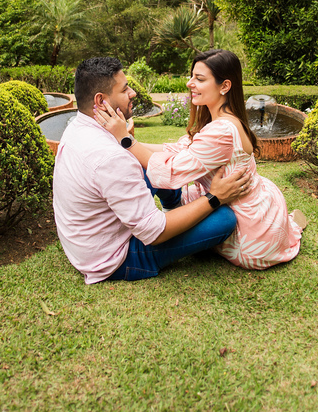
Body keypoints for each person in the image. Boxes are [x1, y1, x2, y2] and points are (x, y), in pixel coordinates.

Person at [95, 49, 306, 270]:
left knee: (161, 180)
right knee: (152, 165)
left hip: (247, 226)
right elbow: (177, 149)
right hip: (251, 199)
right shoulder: (219, 118)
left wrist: (126, 140)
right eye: (192, 76)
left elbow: (171, 170)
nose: (189, 83)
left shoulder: (223, 130)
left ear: (224, 86)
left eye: (199, 79)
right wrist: (122, 138)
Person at [52, 56, 254, 284]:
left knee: (150, 165)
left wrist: (126, 139)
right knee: (225, 219)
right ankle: (182, 213)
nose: (133, 93)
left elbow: (159, 160)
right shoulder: (111, 157)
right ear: (101, 101)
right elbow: (154, 233)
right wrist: (214, 198)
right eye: (125, 88)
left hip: (85, 243)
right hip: (115, 258)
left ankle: (174, 206)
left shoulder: (78, 126)